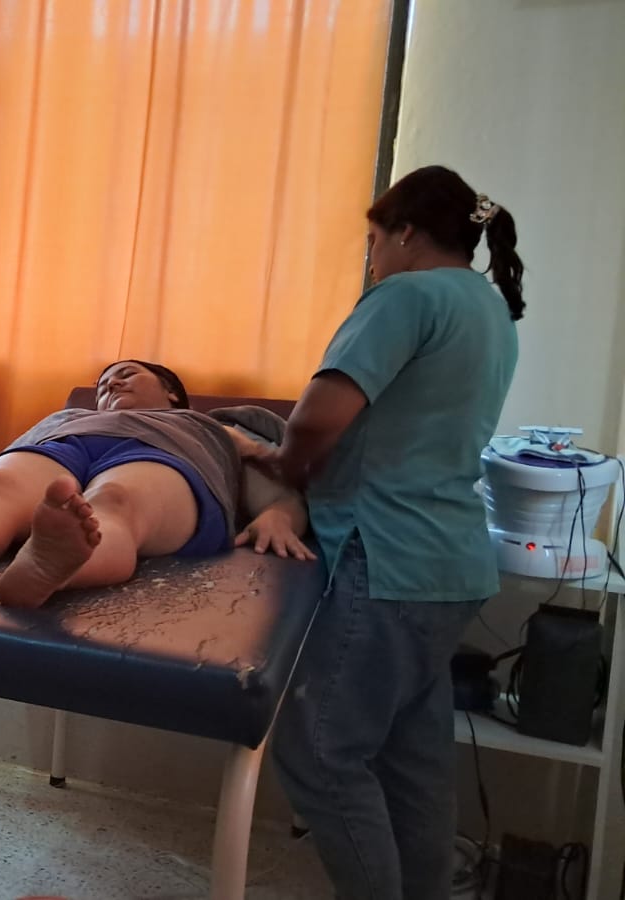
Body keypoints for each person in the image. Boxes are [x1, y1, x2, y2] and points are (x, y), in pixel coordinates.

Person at [236, 165, 523, 900]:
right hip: (450, 567)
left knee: (319, 751)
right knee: (411, 762)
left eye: (372, 241)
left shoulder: (406, 296)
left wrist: (282, 465)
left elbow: (317, 420)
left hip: (387, 559)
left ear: (405, 233)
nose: (370, 258)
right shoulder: (488, 309)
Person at [0, 359, 313, 609]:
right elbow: (4, 478)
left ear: (173, 393)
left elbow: (278, 482)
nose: (111, 383)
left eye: (127, 374)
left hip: (168, 456)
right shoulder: (67, 417)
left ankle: (59, 564)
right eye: (104, 382)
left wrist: (279, 515)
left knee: (117, 502)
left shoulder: (212, 427)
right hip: (66, 447)